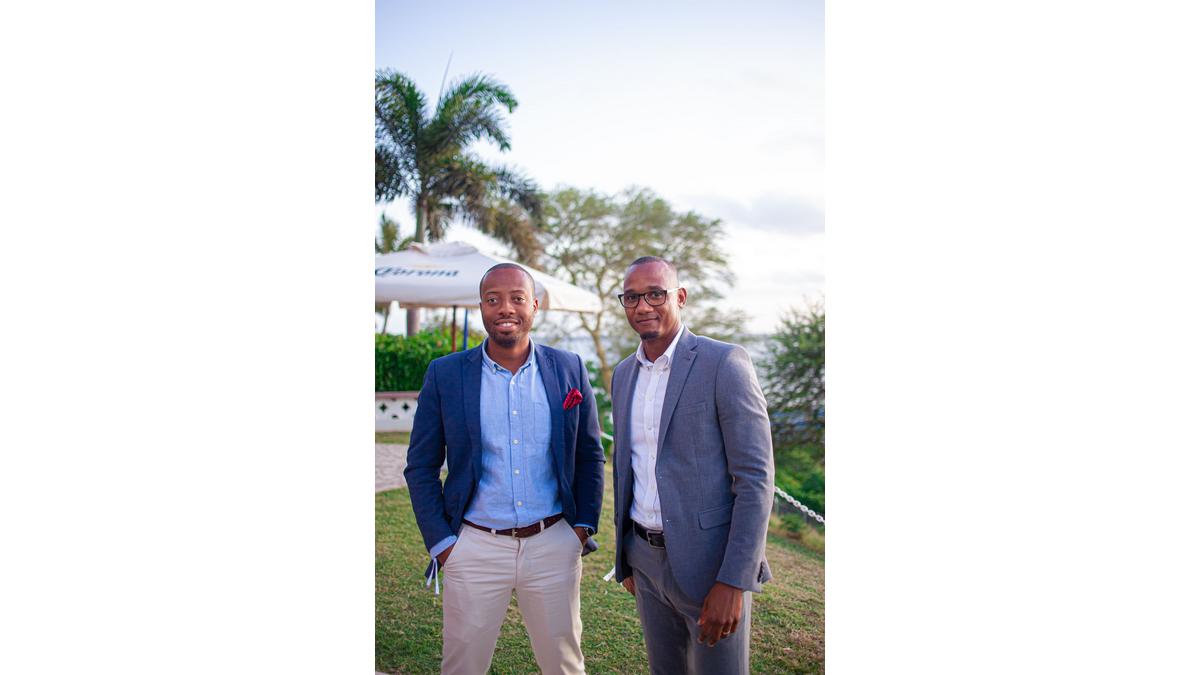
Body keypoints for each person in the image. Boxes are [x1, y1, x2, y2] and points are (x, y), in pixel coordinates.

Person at [404, 263, 606, 675]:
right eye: (493, 299)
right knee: (462, 666)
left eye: (517, 298)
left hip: (553, 543)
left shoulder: (568, 368)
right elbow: (421, 466)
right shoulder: (446, 374)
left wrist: (582, 527)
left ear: (535, 305)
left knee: (565, 665)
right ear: (481, 306)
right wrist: (442, 543)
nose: (505, 308)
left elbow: (589, 454)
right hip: (474, 545)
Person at [610, 256, 774, 674]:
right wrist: (626, 558)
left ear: (680, 297)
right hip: (644, 562)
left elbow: (755, 479)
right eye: (631, 297)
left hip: (710, 566)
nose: (642, 306)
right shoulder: (624, 374)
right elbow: (628, 468)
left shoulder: (724, 363)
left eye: (655, 294)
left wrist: (733, 581)